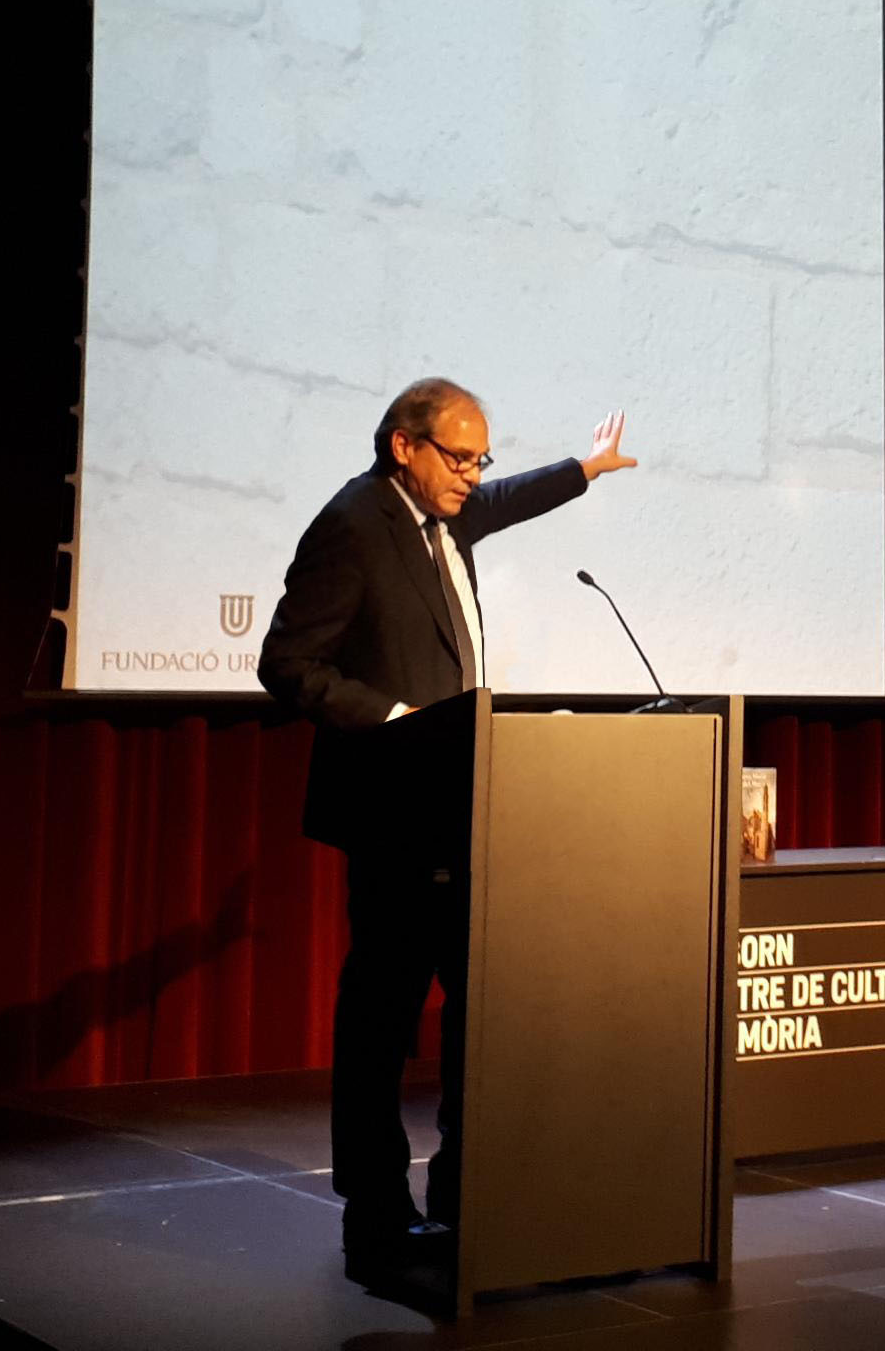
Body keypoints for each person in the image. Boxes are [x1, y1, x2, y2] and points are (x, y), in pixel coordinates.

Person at [258, 378, 637, 1279]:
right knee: (383, 1013)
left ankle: (465, 1194)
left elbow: (503, 502)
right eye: (459, 458)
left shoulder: (445, 512)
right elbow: (286, 660)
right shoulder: (353, 527)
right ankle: (377, 1212)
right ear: (404, 447)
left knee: (476, 1007)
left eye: (481, 458)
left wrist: (583, 469)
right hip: (391, 802)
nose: (474, 475)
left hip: (454, 800)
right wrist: (390, 717)